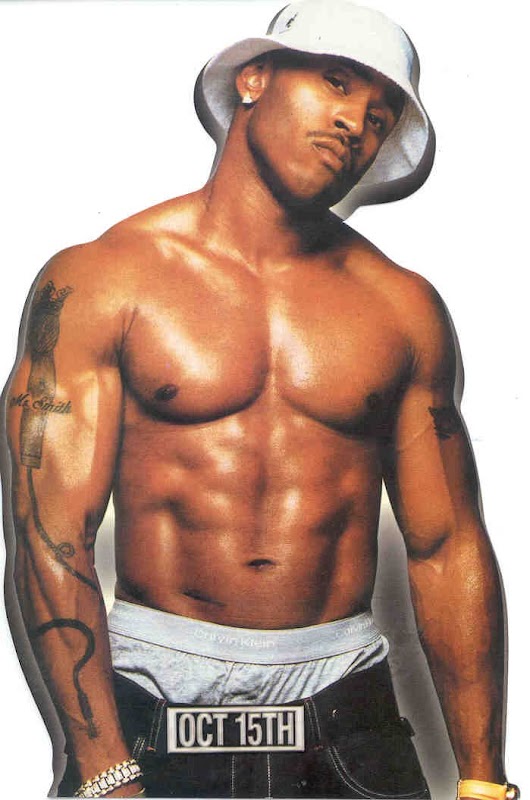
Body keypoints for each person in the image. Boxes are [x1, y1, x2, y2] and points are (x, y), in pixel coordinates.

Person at [1, 0, 520, 798]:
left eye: (380, 116)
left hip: (347, 708)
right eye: (337, 82)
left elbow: (446, 547)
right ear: (253, 79)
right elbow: (48, 535)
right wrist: (102, 766)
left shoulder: (401, 309)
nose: (355, 122)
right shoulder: (105, 280)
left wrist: (484, 780)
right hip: (153, 705)